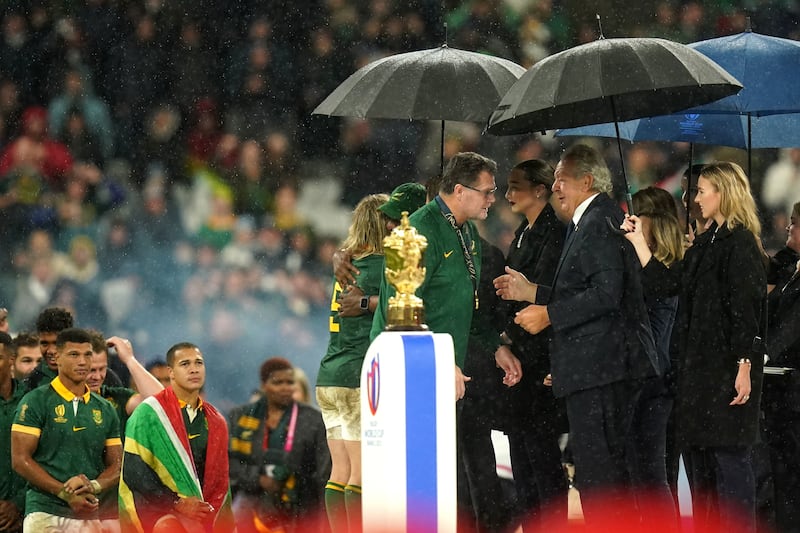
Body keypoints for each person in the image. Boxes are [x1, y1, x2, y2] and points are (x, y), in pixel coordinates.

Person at [496, 144, 658, 528]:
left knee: (599, 478)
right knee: (597, 475)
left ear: (586, 181)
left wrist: (549, 314)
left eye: (561, 180)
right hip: (595, 370)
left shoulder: (600, 222)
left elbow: (606, 295)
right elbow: (586, 292)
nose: (555, 188)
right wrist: (532, 293)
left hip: (603, 370)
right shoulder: (587, 223)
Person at [628, 162, 766, 532]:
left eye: (703, 190)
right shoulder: (706, 242)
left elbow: (746, 312)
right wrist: (641, 243)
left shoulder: (741, 245)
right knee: (703, 469)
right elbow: (666, 283)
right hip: (699, 378)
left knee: (729, 463)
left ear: (724, 193)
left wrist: (744, 366)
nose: (694, 198)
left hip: (725, 374)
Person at [370, 152, 522, 399]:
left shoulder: (468, 231)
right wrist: (438, 362)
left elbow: (464, 303)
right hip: (408, 370)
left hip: (447, 372)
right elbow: (397, 314)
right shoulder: (418, 233)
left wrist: (495, 346)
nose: (493, 199)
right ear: (460, 191)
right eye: (487, 192)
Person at [494, 159, 568, 530]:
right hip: (521, 356)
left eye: (515, 186)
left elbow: (556, 296)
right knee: (522, 453)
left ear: (540, 189)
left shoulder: (555, 234)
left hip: (542, 359)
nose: (507, 194)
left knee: (541, 454)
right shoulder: (524, 231)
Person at [317, 193, 391, 533]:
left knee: (340, 472)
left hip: (329, 375)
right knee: (361, 473)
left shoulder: (346, 265)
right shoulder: (380, 267)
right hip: (359, 375)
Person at [11, 328, 122, 532]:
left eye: (87, 355)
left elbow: (117, 465)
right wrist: (64, 493)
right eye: (74, 355)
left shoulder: (105, 409)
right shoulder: (35, 401)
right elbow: (20, 460)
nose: (82, 362)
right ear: (57, 358)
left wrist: (93, 486)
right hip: (44, 512)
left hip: (88, 514)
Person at [620, 186, 685, 529]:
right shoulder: (660, 267)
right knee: (643, 472)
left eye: (637, 218)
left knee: (652, 473)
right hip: (651, 382)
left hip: (655, 383)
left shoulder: (667, 271)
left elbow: (657, 291)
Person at [119, 342, 233, 533]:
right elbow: (134, 471)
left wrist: (203, 512)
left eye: (198, 363)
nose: (194, 369)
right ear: (171, 372)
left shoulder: (216, 421)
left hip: (202, 518)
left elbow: (219, 481)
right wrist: (177, 503)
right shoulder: (148, 414)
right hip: (155, 514)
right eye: (185, 364)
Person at [229, 357, 330, 533]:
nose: (285, 388)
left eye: (290, 382)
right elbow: (230, 463)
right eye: (278, 382)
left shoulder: (313, 420)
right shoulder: (240, 417)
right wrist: (258, 479)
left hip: (301, 507)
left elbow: (322, 472)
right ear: (264, 385)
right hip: (250, 504)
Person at [761, 200, 800, 532]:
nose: (789, 228)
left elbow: (792, 325)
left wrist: (764, 353)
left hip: (793, 383)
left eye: (795, 223)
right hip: (779, 389)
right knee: (780, 468)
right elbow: (768, 307)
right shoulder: (787, 264)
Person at [332, 182, 427, 316]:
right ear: (379, 228)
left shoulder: (348, 263)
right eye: (387, 219)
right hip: (370, 337)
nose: (389, 225)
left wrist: (365, 302)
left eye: (395, 219)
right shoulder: (381, 265)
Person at [0, 331, 26, 533]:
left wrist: (18, 502)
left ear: (11, 360)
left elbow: (47, 457)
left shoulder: (32, 401)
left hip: (27, 514)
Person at [25, 307, 73, 389]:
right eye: (44, 344)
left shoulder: (90, 375)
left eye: (57, 343)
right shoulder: (31, 384)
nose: (51, 351)